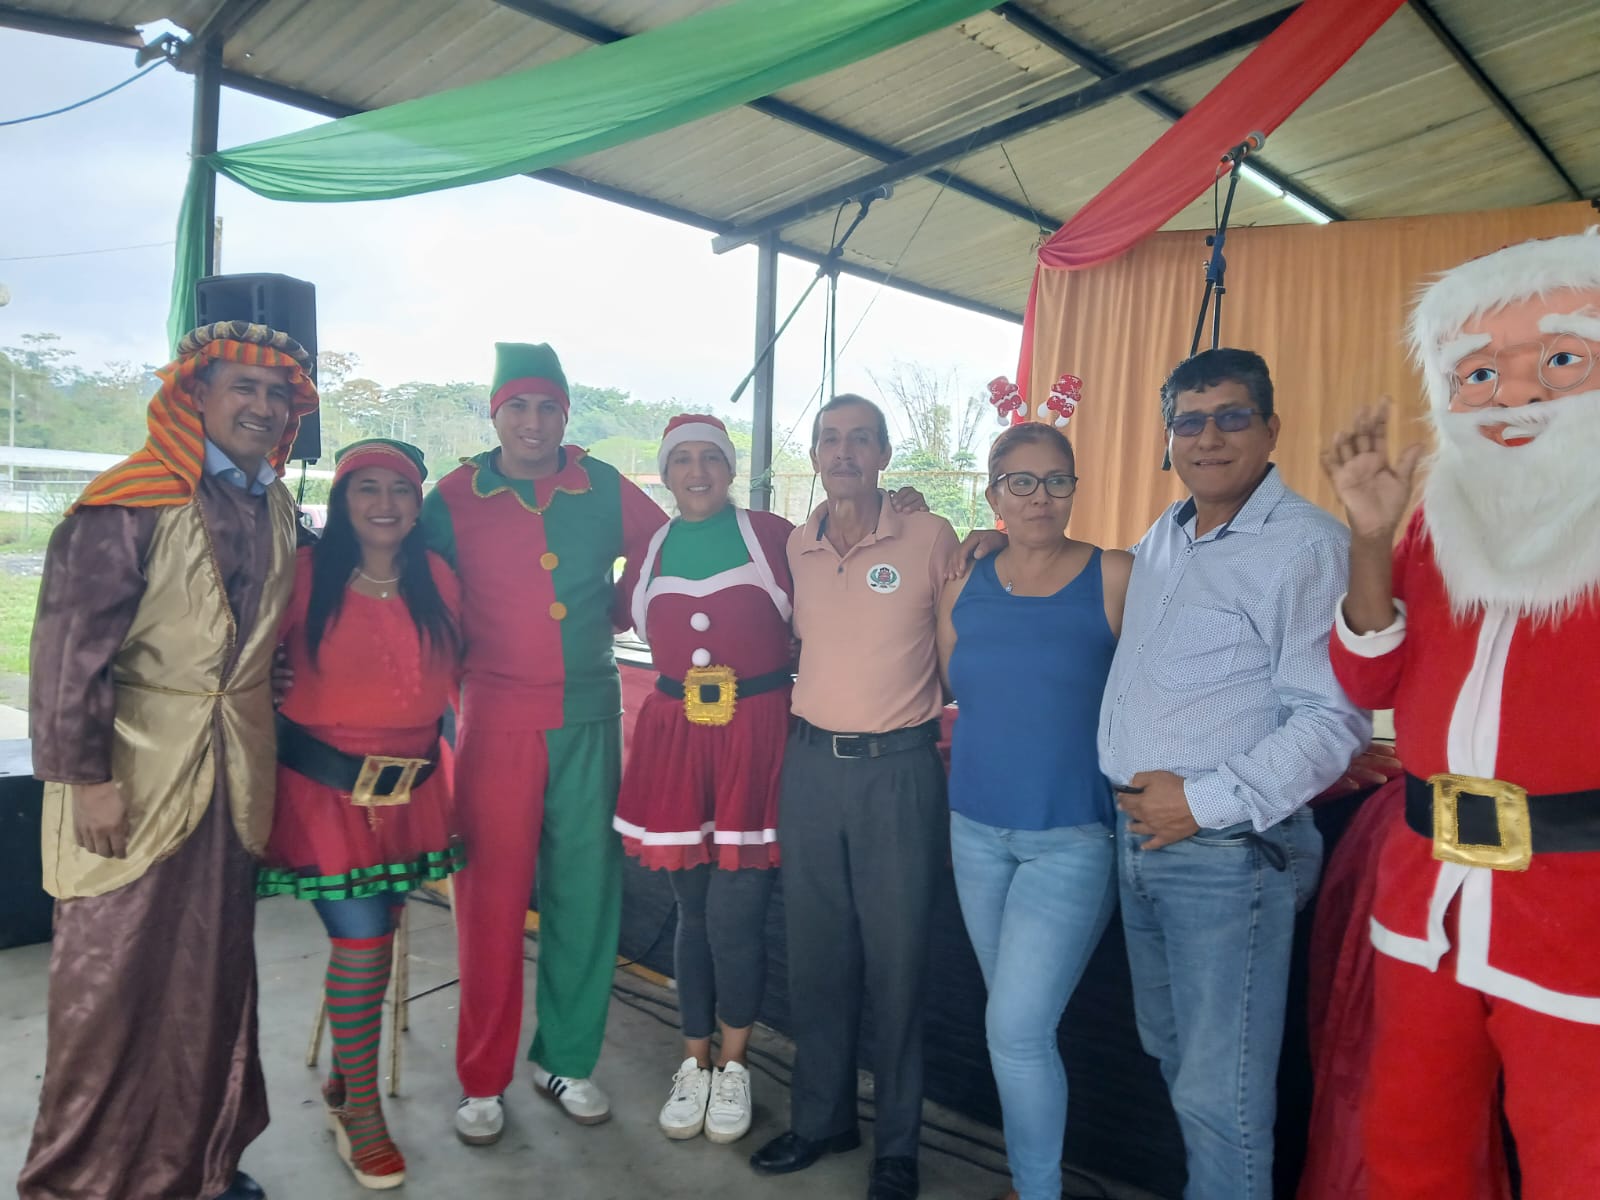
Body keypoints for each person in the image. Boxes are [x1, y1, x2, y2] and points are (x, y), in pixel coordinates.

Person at [1317, 230, 1600, 1200]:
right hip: (1427, 892)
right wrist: (1371, 536)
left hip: (1576, 911)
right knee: (1409, 1143)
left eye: (1558, 360)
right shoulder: (1438, 519)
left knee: (1580, 1162)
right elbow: (1368, 682)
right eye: (1479, 373)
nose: (1514, 395)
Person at [20, 320, 318, 1200]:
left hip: (233, 777)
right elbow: (66, 655)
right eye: (243, 387)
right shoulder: (131, 501)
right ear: (196, 394)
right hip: (133, 777)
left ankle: (197, 1164)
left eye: (278, 394)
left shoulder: (271, 505)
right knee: (113, 984)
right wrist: (87, 782)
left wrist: (263, 670)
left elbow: (242, 632)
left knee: (211, 973)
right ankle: (83, 1181)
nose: (262, 407)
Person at [1097, 348, 1369, 1200]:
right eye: (1190, 421)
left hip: (1224, 853)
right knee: (1175, 1057)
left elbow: (1333, 720)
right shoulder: (1167, 535)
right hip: (1140, 837)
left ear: (1270, 428)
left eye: (1231, 417)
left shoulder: (1306, 546)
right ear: (1169, 437)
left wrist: (1203, 803)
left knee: (1223, 1095)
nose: (1208, 437)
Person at [421, 342, 668, 1144]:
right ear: (494, 413)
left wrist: (620, 607)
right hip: (493, 721)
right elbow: (419, 593)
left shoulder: (602, 484)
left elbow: (663, 545)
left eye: (548, 407)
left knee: (585, 894)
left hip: (590, 714)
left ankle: (565, 1057)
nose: (533, 422)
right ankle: (482, 1076)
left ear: (566, 413)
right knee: (489, 900)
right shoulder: (453, 495)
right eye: (518, 406)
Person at [749, 394, 958, 1200]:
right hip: (810, 769)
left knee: (899, 963)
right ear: (814, 454)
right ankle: (822, 1118)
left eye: (860, 439)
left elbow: (959, 650)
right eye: (831, 439)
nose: (844, 452)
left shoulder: (929, 535)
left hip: (897, 772)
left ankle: (897, 1145)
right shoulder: (796, 546)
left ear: (883, 454)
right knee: (816, 957)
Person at [259, 438, 464, 1189]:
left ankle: (346, 1082)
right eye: (366, 488)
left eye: (400, 489)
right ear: (343, 501)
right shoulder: (303, 574)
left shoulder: (438, 577)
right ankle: (361, 1112)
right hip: (321, 793)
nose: (385, 503)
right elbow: (241, 660)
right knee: (364, 940)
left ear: (417, 505)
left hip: (412, 794)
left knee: (374, 937)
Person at [935, 422, 1132, 1200]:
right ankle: (1031, 1182)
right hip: (975, 831)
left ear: (1075, 488)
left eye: (1056, 480)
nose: (1039, 497)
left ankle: (1037, 1190)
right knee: (1012, 1026)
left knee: (1016, 1030)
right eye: (1020, 482)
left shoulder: (1116, 574)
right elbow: (956, 687)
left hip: (1072, 837)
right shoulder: (963, 583)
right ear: (994, 494)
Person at [612, 414, 794, 1146]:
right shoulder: (649, 549)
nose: (697, 471)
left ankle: (736, 1064)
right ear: (665, 471)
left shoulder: (773, 537)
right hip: (678, 745)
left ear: (731, 467)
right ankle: (694, 1061)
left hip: (756, 741)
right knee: (692, 912)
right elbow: (590, 612)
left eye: (711, 457)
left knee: (737, 915)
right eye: (682, 459)